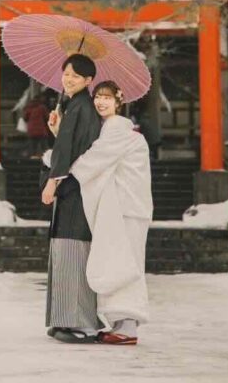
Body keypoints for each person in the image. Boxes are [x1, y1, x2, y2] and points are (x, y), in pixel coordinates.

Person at [71, 80, 153, 346]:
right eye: (97, 96)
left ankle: (127, 326)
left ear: (119, 101)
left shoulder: (117, 128)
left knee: (123, 263)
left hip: (126, 207)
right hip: (128, 207)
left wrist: (56, 162)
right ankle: (122, 324)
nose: (101, 101)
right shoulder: (113, 129)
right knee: (122, 261)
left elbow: (94, 161)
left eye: (107, 97)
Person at [40, 53, 102, 344]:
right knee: (65, 248)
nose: (68, 79)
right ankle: (62, 319)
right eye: (66, 73)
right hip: (75, 187)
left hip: (74, 189)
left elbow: (68, 150)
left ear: (89, 80)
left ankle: (76, 322)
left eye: (76, 76)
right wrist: (57, 129)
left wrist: (52, 182)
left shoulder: (80, 107)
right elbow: (68, 143)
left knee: (72, 250)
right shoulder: (76, 106)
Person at [23, 94, 49, 158]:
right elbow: (47, 117)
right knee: (44, 146)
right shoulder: (42, 107)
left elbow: (25, 118)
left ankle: (32, 157)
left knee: (32, 145)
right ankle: (47, 157)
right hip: (41, 130)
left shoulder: (28, 107)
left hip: (31, 130)